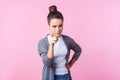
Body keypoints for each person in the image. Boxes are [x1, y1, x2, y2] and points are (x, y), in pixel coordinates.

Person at [38, 5, 82, 80]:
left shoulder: (67, 40)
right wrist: (51, 45)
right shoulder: (43, 43)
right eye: (54, 26)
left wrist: (70, 64)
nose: (58, 29)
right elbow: (48, 63)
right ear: (49, 25)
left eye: (60, 26)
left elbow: (78, 50)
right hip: (50, 77)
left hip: (65, 76)